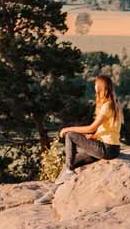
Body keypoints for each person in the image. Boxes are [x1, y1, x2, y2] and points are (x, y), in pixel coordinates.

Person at [36, 76, 122, 204]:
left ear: (100, 88)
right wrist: (95, 136)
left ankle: (69, 171)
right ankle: (51, 195)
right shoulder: (115, 103)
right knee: (72, 162)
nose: (94, 89)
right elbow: (111, 128)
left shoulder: (107, 106)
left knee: (70, 135)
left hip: (106, 149)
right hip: (112, 148)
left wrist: (68, 129)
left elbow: (91, 127)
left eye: (95, 86)